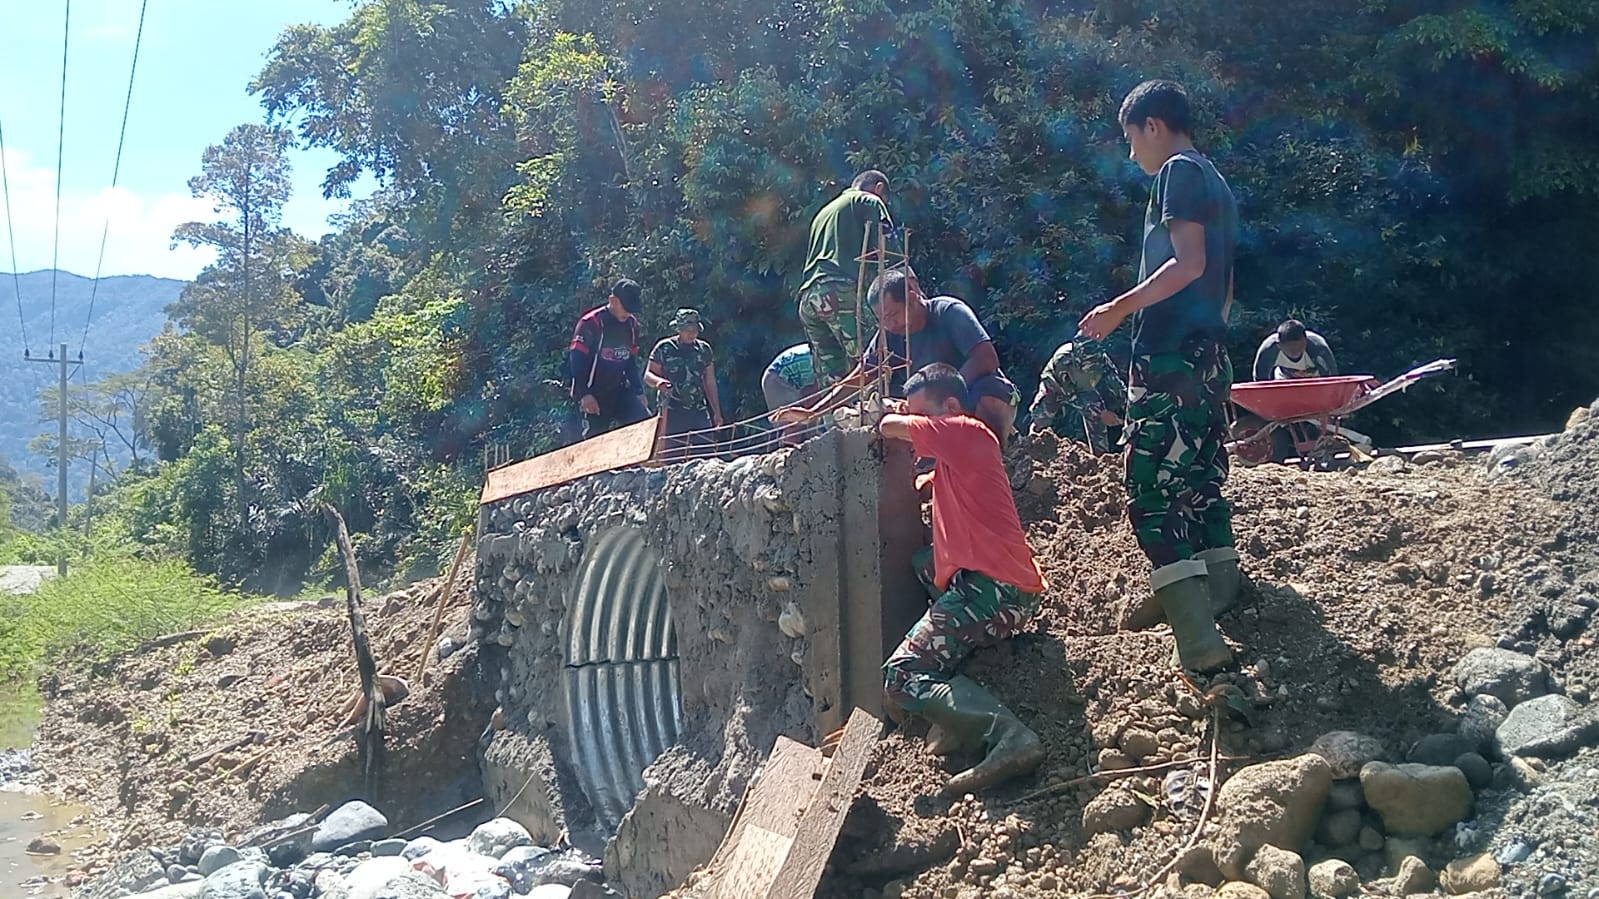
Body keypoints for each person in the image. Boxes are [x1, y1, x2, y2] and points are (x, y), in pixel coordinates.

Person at [1077, 80, 1240, 672]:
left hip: (1169, 356)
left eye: (1131, 139)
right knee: (1197, 476)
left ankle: (1198, 643)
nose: (1132, 156)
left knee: (1147, 488)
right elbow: (1222, 282)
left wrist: (1120, 308)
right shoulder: (1216, 180)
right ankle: (1220, 593)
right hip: (1205, 356)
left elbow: (1188, 264)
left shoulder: (1178, 171)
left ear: (1152, 125)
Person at [878, 363, 1048, 794]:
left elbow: (888, 425)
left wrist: (892, 413)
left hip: (993, 591)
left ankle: (1008, 736)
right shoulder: (958, 457)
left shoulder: (966, 431)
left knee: (900, 677)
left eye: (924, 414)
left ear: (950, 407)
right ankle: (952, 681)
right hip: (998, 584)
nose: (917, 423)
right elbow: (924, 483)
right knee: (923, 560)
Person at [776, 268, 1021, 447]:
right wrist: (813, 413)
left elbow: (986, 358)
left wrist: (943, 394)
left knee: (988, 395)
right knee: (889, 417)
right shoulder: (889, 335)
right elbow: (859, 377)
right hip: (935, 413)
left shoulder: (948, 312)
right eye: (882, 319)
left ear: (913, 296)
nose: (889, 324)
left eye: (893, 314)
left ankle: (998, 455)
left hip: (975, 398)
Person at [798, 170, 894, 388]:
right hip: (839, 293)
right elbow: (888, 251)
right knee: (873, 360)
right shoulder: (869, 200)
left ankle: (836, 420)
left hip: (809, 297)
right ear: (879, 188)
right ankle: (881, 417)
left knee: (833, 375)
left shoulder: (824, 212)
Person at [568, 279, 666, 439]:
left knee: (643, 424)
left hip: (619, 388)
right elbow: (576, 359)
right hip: (594, 391)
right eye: (625, 307)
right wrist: (584, 394)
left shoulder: (632, 325)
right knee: (595, 441)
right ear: (612, 300)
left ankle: (640, 464)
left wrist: (638, 391)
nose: (628, 313)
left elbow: (630, 361)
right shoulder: (591, 323)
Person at [648, 308, 724, 460]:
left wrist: (717, 412)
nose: (691, 333)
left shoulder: (704, 350)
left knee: (706, 457)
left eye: (694, 330)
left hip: (698, 410)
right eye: (687, 330)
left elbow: (709, 381)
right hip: (671, 410)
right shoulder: (664, 348)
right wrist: (659, 382)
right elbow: (648, 375)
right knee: (671, 459)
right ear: (678, 329)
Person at [1029, 340, 1128, 454]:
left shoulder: (1101, 360)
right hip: (1056, 385)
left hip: (1082, 387)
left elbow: (1115, 383)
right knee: (1043, 416)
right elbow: (1072, 396)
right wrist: (1101, 413)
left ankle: (1100, 455)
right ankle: (1032, 445)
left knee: (1096, 412)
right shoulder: (1064, 362)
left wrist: (1128, 407)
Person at [762, 343, 820, 445]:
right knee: (793, 422)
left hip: (778, 373)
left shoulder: (830, 353)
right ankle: (789, 454)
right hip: (779, 377)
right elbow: (810, 394)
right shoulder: (832, 361)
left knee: (802, 419)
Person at [1252, 319, 1337, 381]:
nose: (1295, 351)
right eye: (1290, 348)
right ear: (1279, 345)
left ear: (1306, 341)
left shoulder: (1318, 347)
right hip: (1284, 377)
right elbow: (1260, 380)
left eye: (1299, 346)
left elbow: (1332, 377)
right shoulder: (1269, 350)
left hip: (1316, 378)